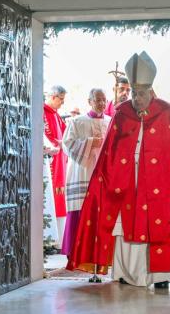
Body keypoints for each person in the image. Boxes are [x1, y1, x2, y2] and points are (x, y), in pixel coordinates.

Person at [67, 51, 170, 288]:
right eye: (134, 93)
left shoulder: (169, 114)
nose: (137, 98)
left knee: (158, 224)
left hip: (159, 185)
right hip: (124, 182)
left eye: (142, 93)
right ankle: (123, 272)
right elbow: (109, 152)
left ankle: (160, 276)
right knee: (122, 227)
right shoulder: (121, 113)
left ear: (152, 92)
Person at [61, 88, 111, 256]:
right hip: (83, 171)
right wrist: (89, 143)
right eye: (98, 100)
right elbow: (66, 144)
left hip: (104, 173)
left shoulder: (111, 122)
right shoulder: (77, 121)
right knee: (80, 209)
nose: (102, 104)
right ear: (89, 101)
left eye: (104, 100)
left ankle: (99, 252)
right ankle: (75, 251)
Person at [43, 85, 68, 247]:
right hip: (50, 163)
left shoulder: (56, 116)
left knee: (59, 199)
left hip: (60, 162)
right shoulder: (43, 113)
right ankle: (49, 240)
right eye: (61, 99)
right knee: (51, 198)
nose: (62, 103)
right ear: (53, 97)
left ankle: (58, 240)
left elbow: (66, 134)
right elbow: (44, 135)